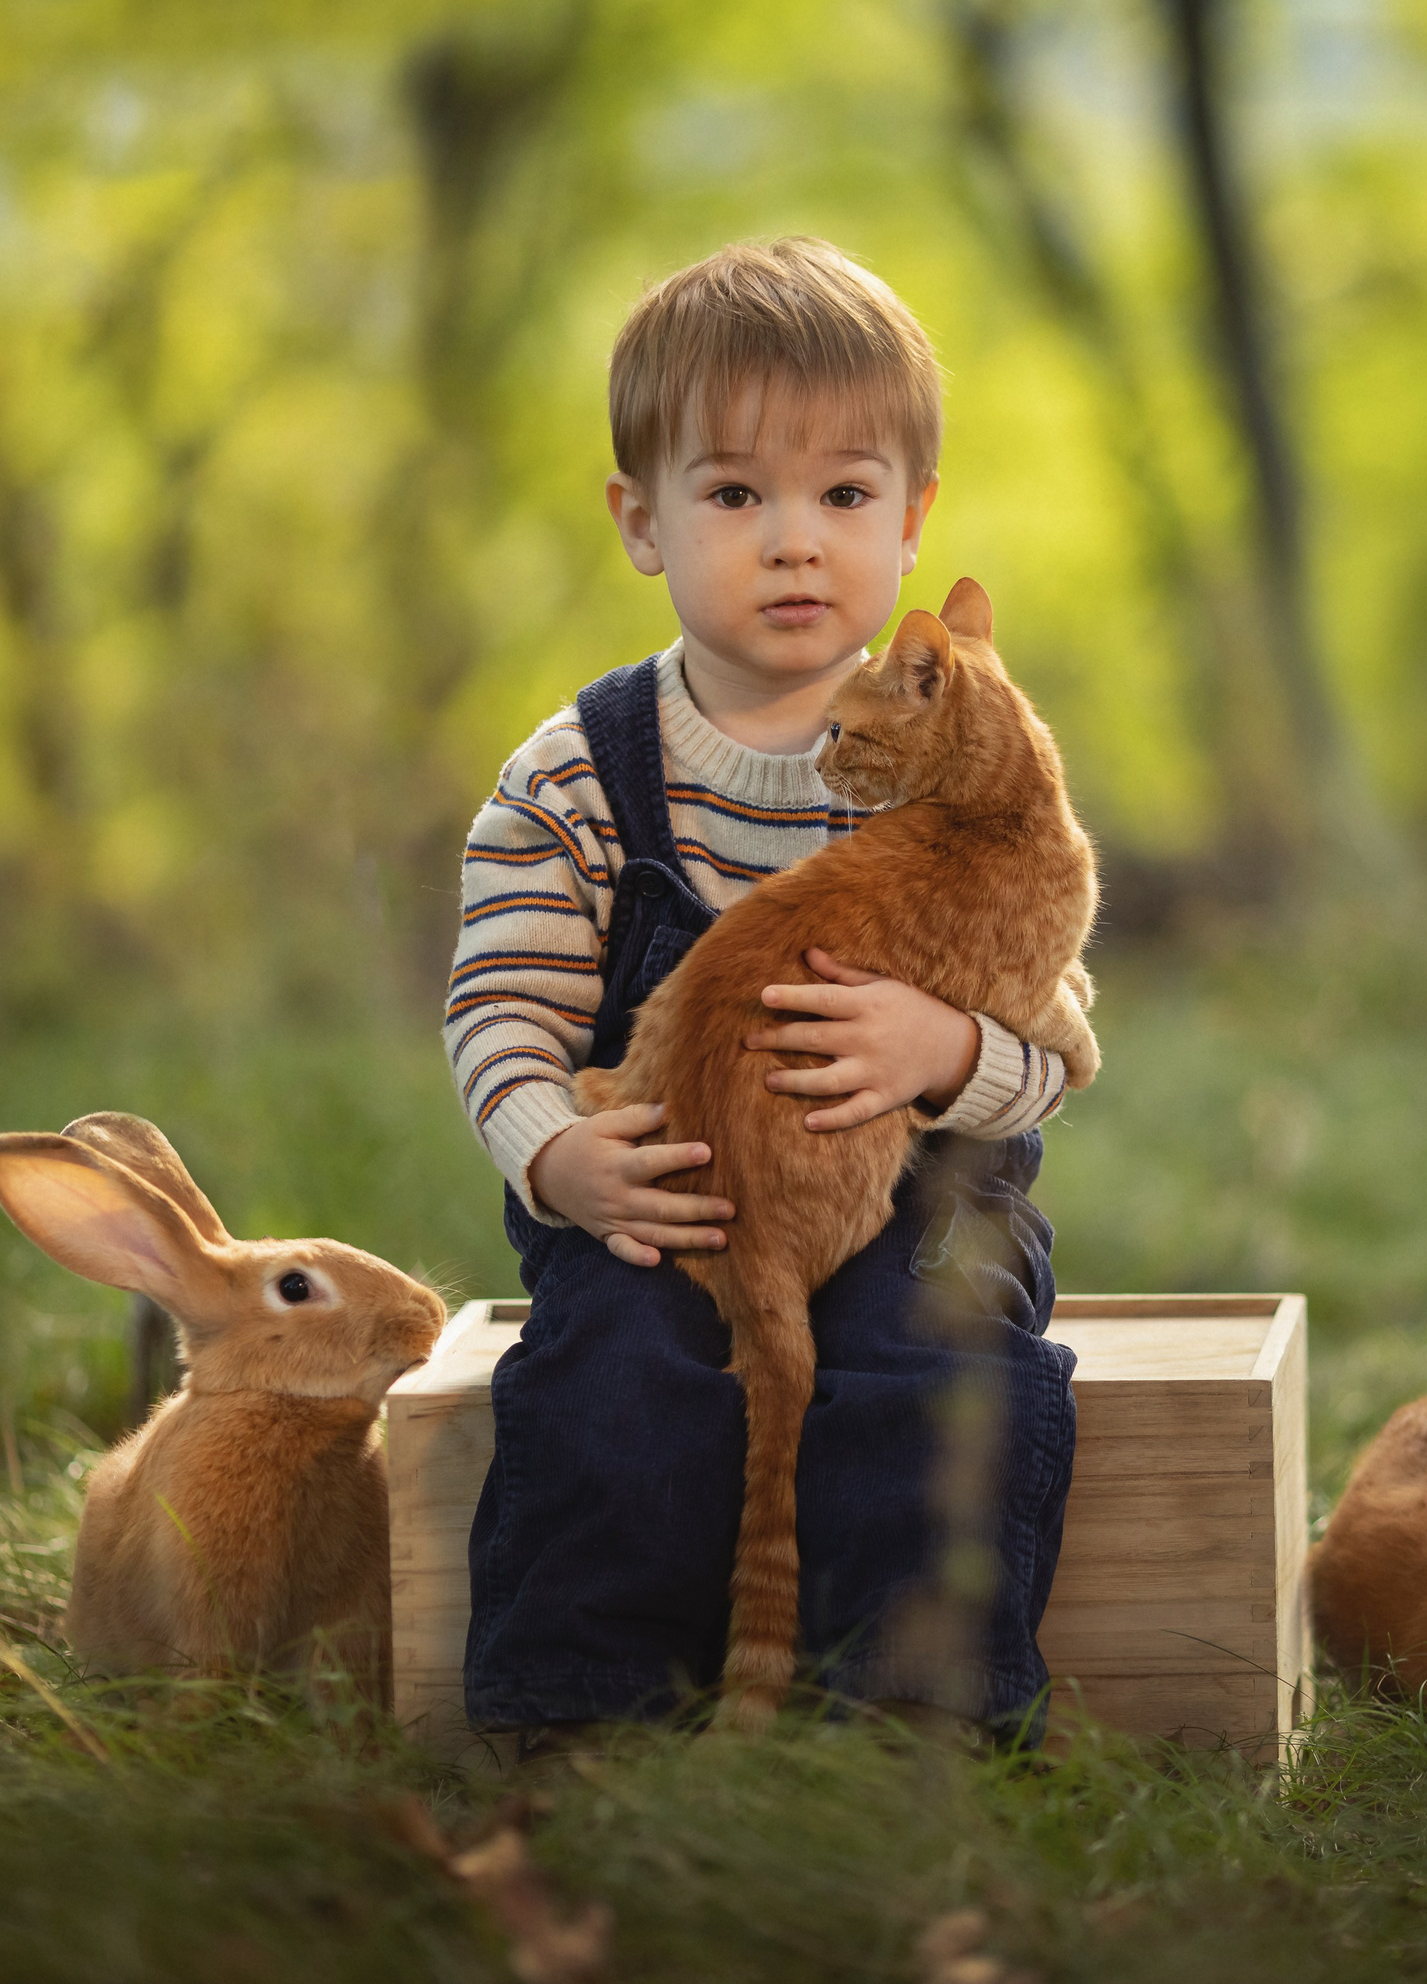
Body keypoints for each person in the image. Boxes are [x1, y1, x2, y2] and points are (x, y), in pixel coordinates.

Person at [444, 236, 1080, 1747]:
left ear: (913, 522)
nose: (796, 542)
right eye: (735, 495)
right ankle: (582, 1717)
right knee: (615, 1368)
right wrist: (556, 1153)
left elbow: (1060, 1043)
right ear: (641, 523)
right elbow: (502, 1014)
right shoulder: (575, 780)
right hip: (666, 1189)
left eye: (844, 496)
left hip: (915, 1187)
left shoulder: (953, 752)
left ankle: (907, 1713)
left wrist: (946, 1052)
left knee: (934, 1364)